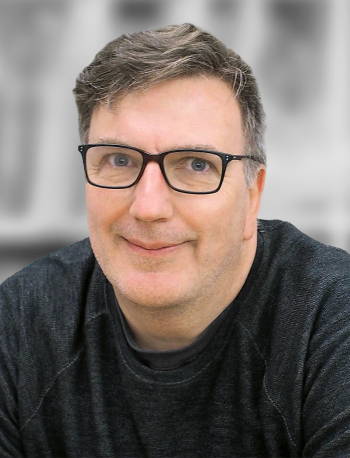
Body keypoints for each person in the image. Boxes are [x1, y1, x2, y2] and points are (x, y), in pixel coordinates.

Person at [1, 23, 350, 458]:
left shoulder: (332, 321)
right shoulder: (20, 322)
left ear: (251, 196)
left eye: (196, 165)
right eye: (119, 159)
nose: (148, 206)